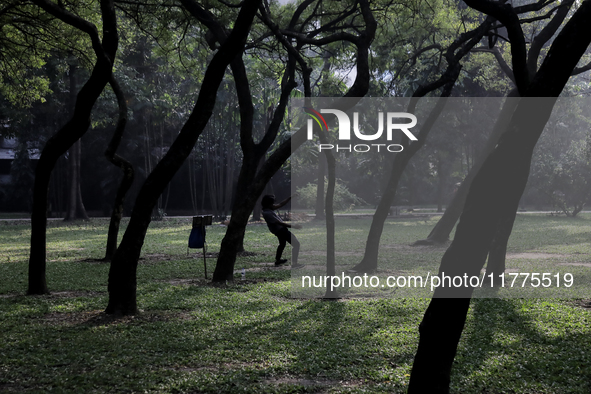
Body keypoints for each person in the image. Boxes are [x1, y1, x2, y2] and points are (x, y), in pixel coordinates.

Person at [261, 194, 305, 269]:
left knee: (282, 244)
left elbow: (281, 204)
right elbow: (280, 223)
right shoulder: (267, 213)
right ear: (269, 204)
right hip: (281, 230)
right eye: (272, 203)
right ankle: (294, 264)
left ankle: (278, 260)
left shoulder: (268, 209)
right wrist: (294, 226)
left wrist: (290, 197)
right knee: (296, 244)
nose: (274, 205)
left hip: (279, 230)